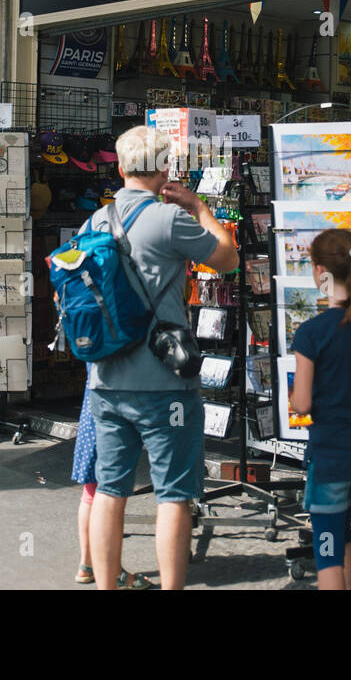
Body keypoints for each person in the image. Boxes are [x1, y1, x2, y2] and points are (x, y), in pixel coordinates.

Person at [85, 126, 238, 590]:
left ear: (121, 166)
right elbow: (228, 258)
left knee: (110, 491)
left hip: (106, 380)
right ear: (165, 168)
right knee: (173, 494)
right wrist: (200, 207)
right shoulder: (170, 220)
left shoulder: (94, 222)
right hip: (164, 381)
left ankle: (107, 584)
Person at [289, 229, 351, 591]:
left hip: (331, 452)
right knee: (344, 533)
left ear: (320, 273)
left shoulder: (312, 332)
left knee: (327, 549)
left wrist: (294, 398)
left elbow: (301, 403)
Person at [69, 376, 152, 589]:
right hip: (112, 405)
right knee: (110, 493)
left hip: (94, 402)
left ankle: (86, 565)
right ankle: (113, 572)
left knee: (91, 491)